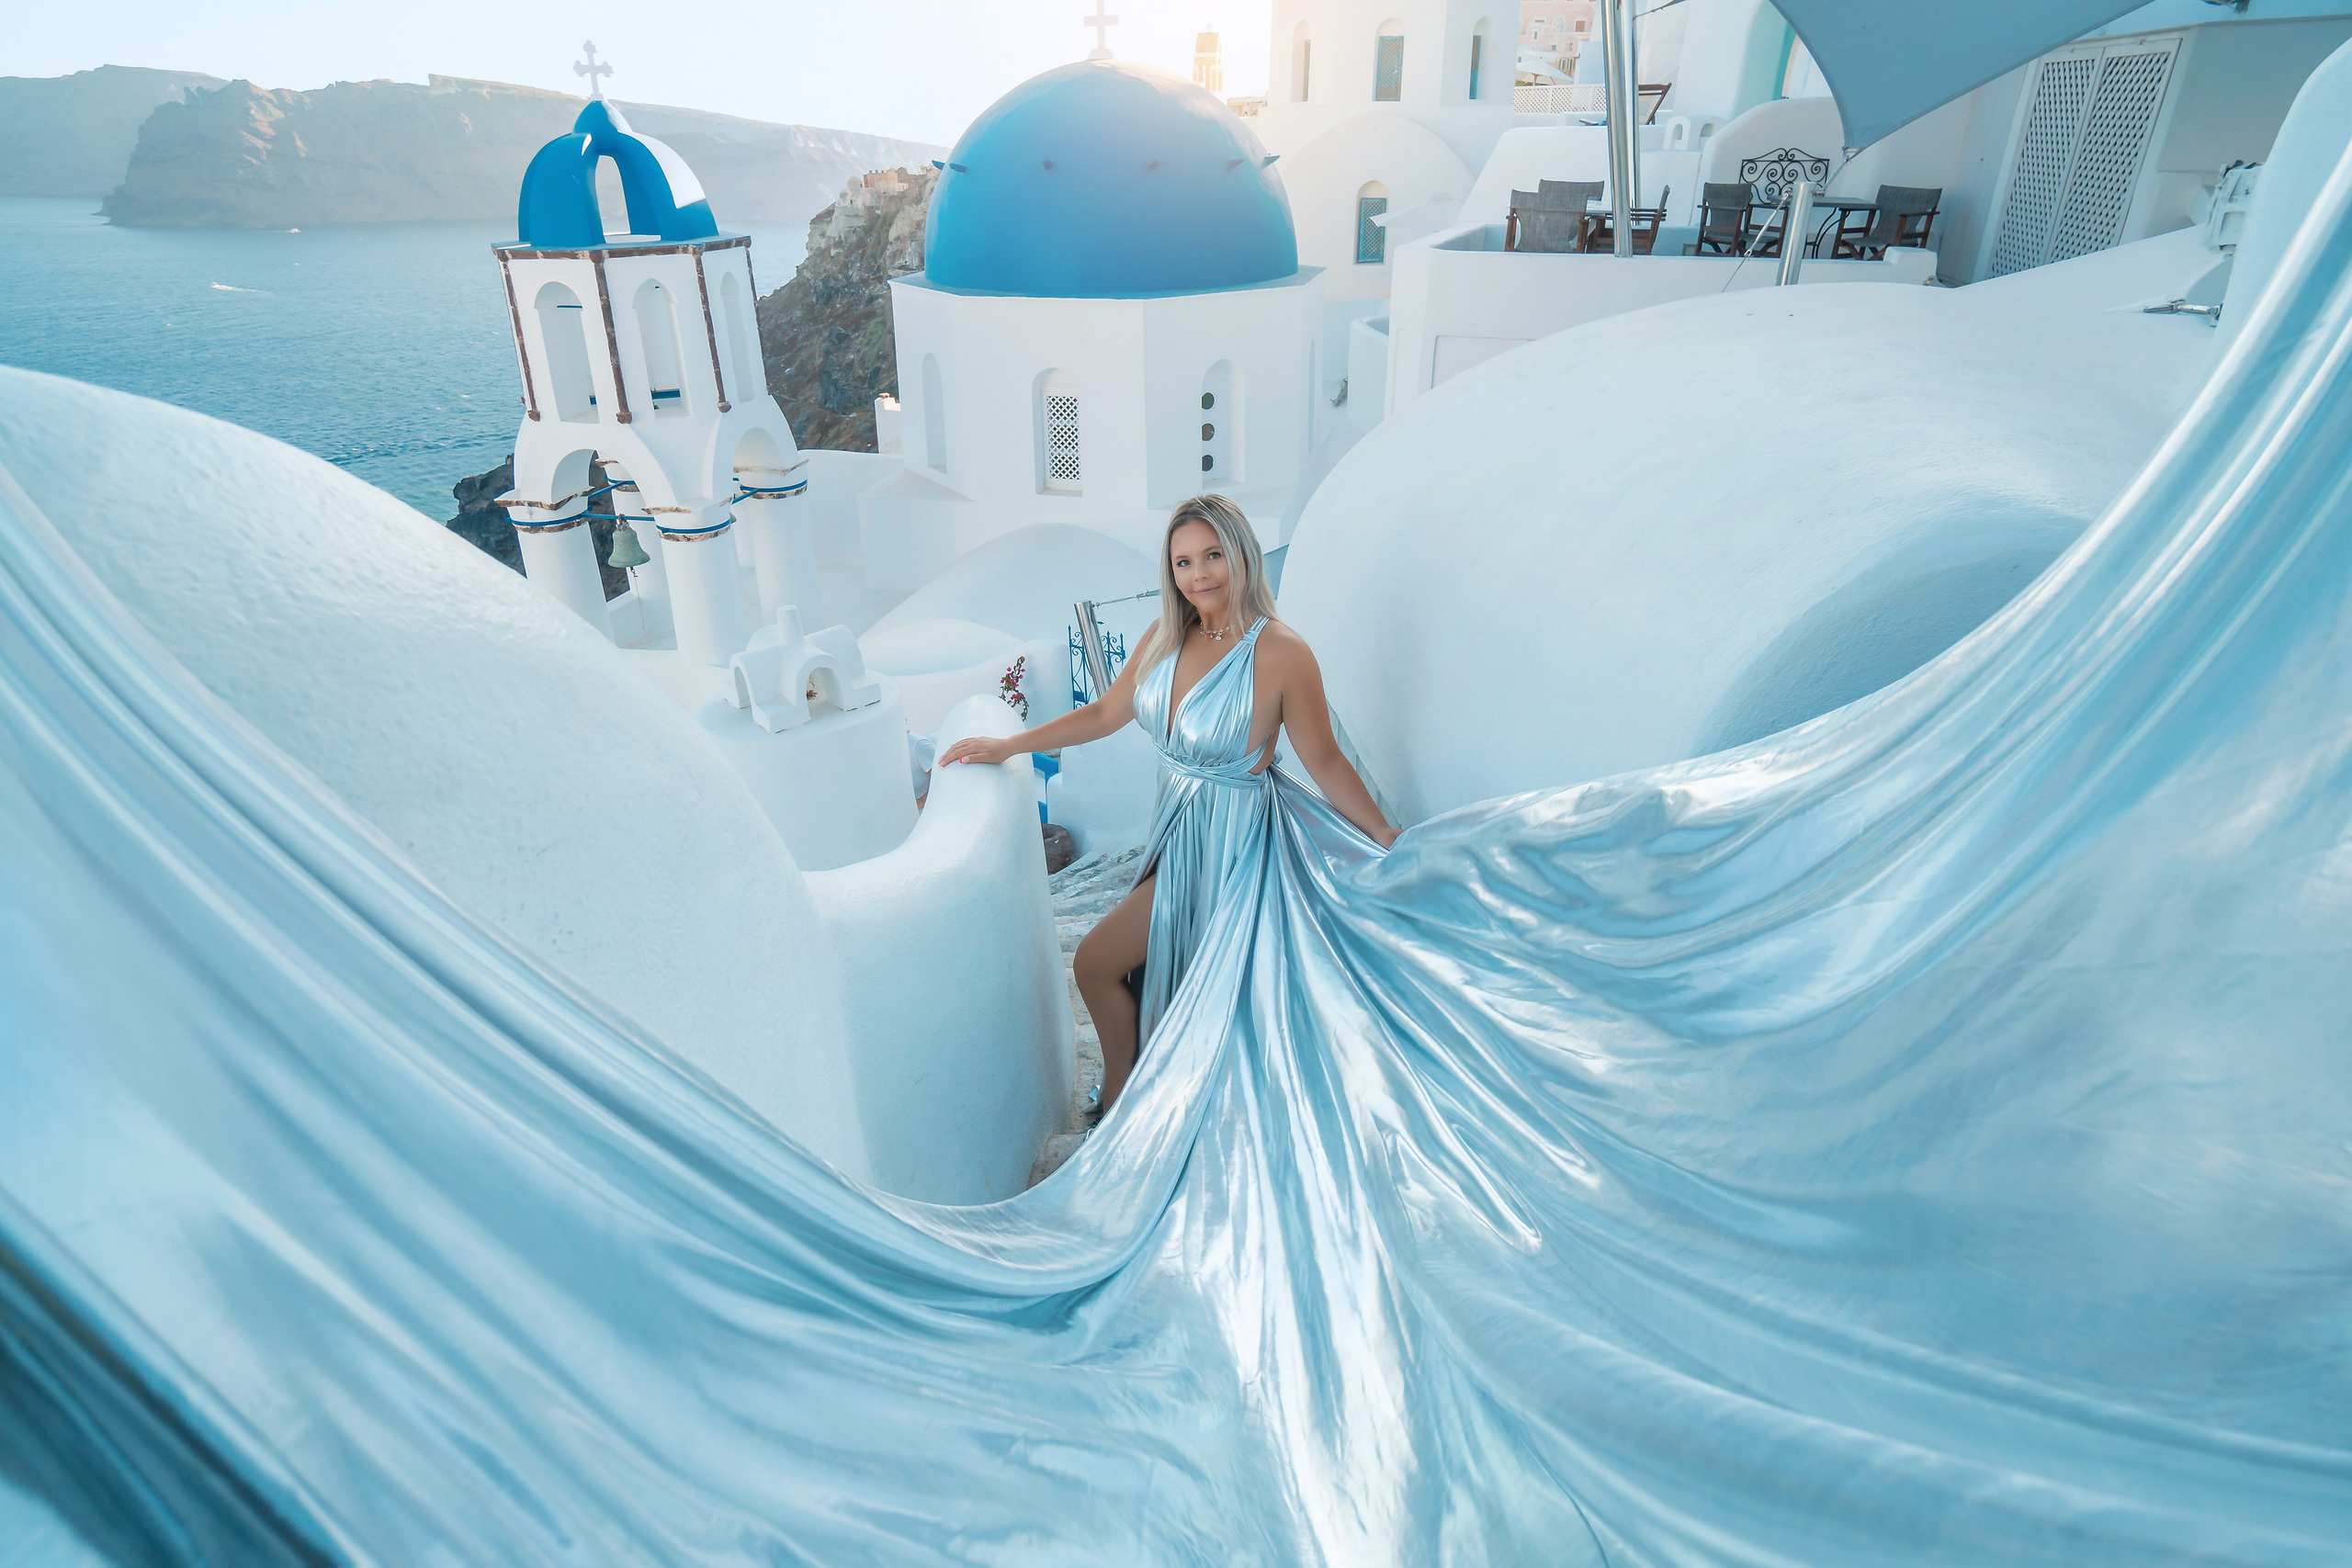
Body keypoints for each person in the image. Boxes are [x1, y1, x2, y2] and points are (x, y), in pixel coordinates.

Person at [936, 495, 1396, 1114]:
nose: (1199, 575)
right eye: (1183, 562)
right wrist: (1009, 744)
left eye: (1212, 556)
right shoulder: (1164, 635)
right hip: (1176, 834)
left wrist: (1383, 834)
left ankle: (1134, 1097)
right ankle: (1132, 1090)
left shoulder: (1282, 651)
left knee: (1099, 960)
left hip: (1233, 851)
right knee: (1115, 968)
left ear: (1241, 555)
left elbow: (1327, 760)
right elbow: (1104, 713)